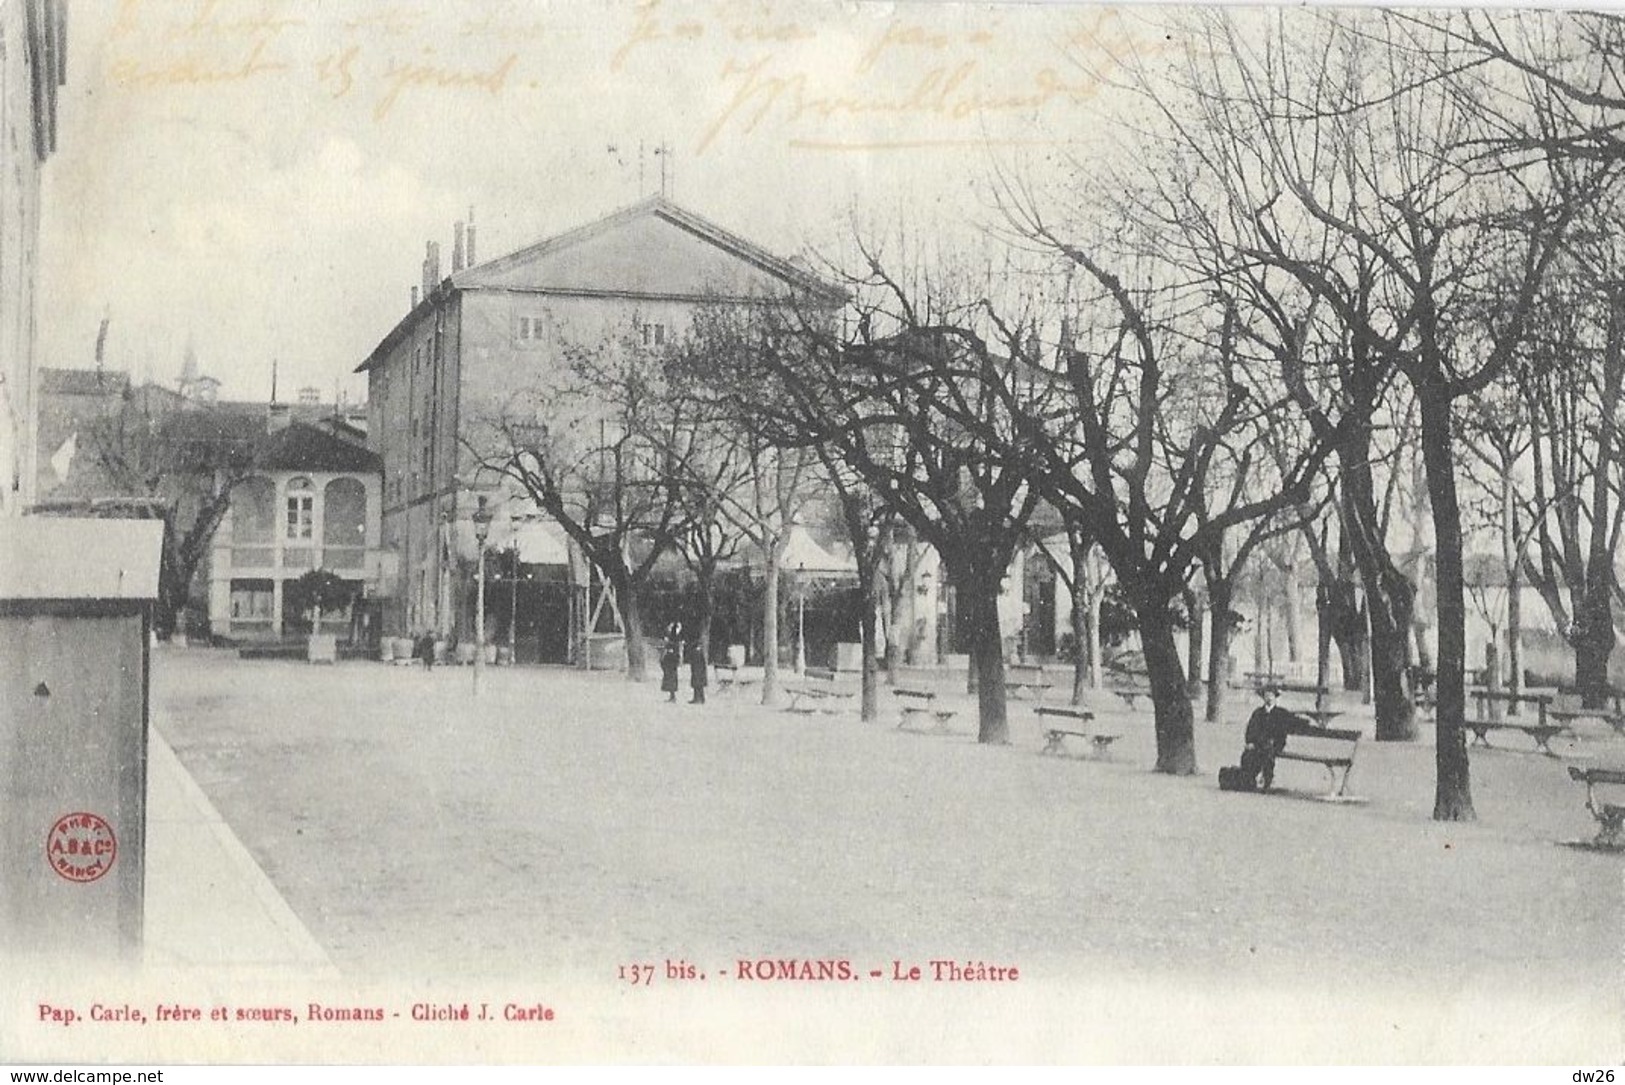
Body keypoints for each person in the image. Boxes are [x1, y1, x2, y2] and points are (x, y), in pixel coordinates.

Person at [1239, 684, 1296, 791]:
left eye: (1271, 695)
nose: (1269, 698)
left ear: (1275, 697)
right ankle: (1249, 779)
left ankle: (1267, 779)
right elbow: (1251, 729)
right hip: (1258, 743)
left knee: (1267, 752)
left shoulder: (1281, 713)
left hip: (1274, 743)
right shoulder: (1258, 712)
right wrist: (1250, 741)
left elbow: (1282, 731)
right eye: (1266, 695)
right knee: (1248, 754)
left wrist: (1275, 741)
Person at [659, 623, 683, 703]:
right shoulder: (673, 639)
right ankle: (672, 696)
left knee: (671, 678)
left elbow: (674, 649)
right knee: (670, 678)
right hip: (670, 661)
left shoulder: (675, 640)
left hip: (671, 661)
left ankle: (672, 696)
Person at [685, 629, 708, 705]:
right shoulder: (698, 651)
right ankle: (698, 698)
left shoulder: (697, 652)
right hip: (697, 670)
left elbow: (699, 662)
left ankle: (699, 699)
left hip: (698, 670)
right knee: (697, 685)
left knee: (698, 685)